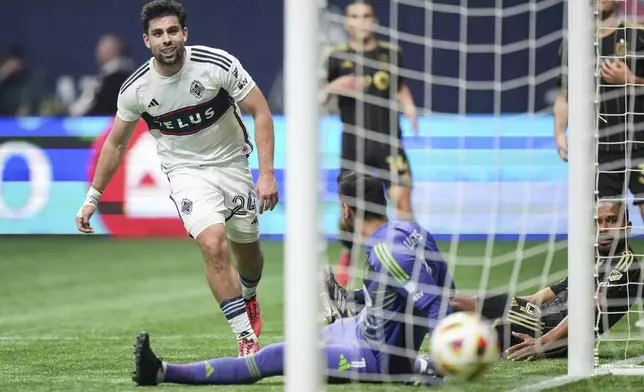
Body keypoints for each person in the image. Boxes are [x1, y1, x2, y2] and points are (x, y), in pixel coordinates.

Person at [75, 0, 279, 357]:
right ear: (146, 41)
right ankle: (245, 337)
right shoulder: (135, 89)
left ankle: (249, 295)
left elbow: (260, 111)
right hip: (185, 173)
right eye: (158, 34)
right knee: (213, 243)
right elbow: (116, 143)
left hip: (232, 164)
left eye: (172, 31)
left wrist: (266, 174)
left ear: (184, 34)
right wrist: (93, 197)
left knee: (249, 255)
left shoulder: (217, 64)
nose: (166, 39)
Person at [132, 170, 454, 386]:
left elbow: (435, 306)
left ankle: (161, 372)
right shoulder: (413, 232)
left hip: (374, 356)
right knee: (295, 344)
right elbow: (443, 292)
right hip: (361, 327)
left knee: (278, 357)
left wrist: (447, 354)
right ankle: (415, 364)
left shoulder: (386, 252)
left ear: (346, 210)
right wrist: (353, 300)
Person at [449, 199, 643, 361]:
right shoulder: (593, 258)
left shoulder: (625, 264)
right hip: (538, 316)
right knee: (472, 303)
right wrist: (515, 302)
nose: (603, 228)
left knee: (466, 319)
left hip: (552, 332)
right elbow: (545, 294)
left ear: (627, 227)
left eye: (611, 221)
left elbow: (591, 306)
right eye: (598, 222)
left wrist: (545, 342)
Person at [322, 0, 419, 287]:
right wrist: (333, 87)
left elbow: (399, 87)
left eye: (366, 15)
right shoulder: (336, 57)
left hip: (389, 141)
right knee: (350, 210)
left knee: (402, 198)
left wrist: (409, 107)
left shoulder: (391, 53)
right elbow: (321, 99)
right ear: (348, 23)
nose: (360, 21)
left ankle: (409, 255)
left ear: (374, 20)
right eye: (354, 16)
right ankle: (348, 254)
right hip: (355, 144)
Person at [555, 0, 644, 218]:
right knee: (605, 223)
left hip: (640, 143)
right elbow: (565, 94)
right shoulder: (574, 44)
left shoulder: (638, 36)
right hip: (599, 150)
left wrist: (631, 79)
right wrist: (559, 132)